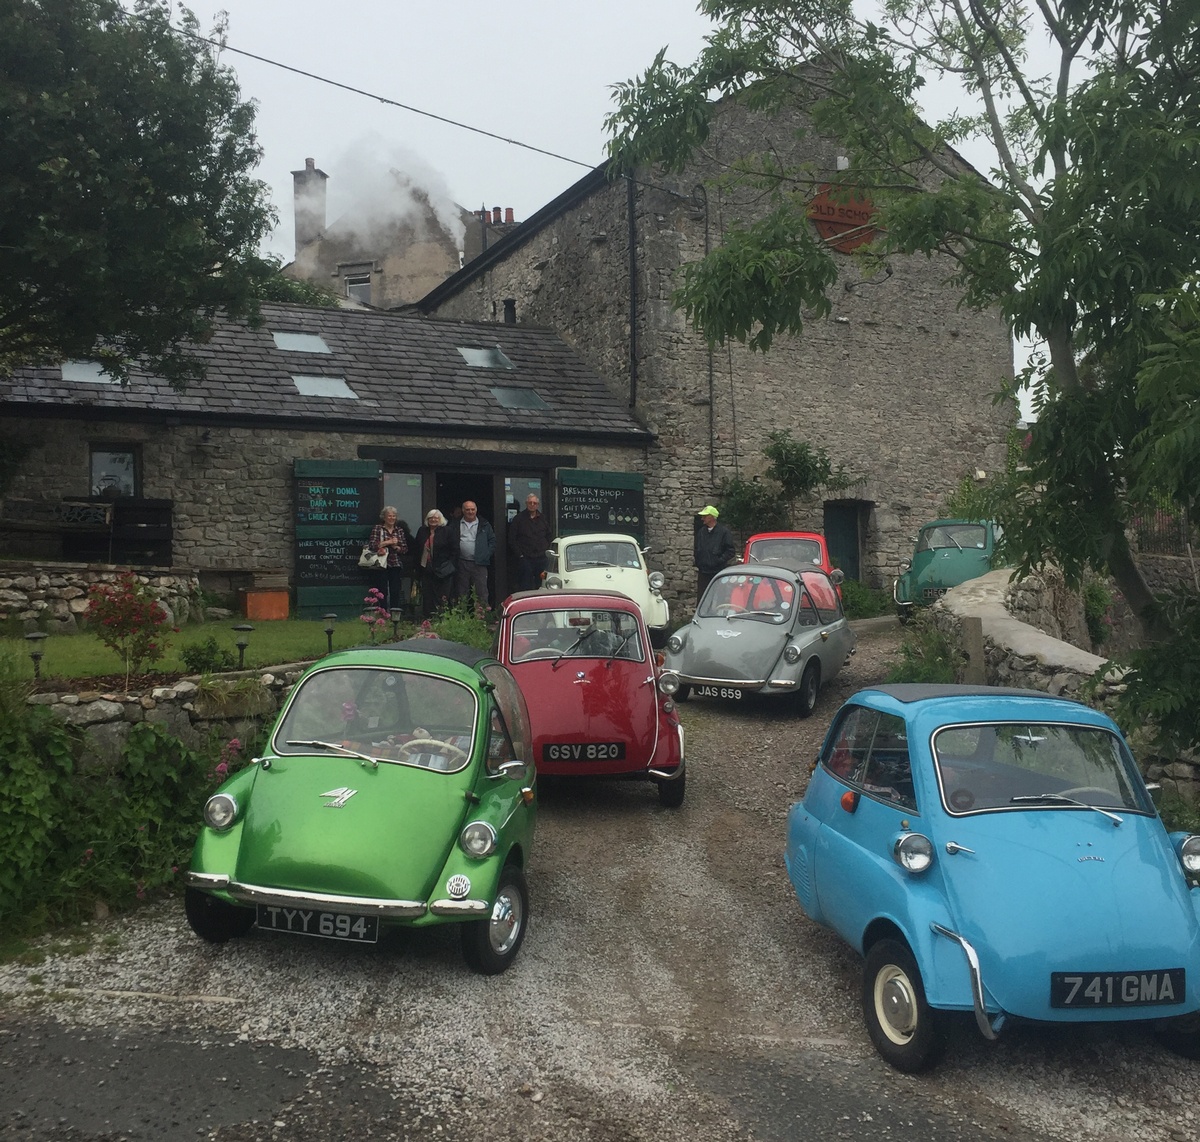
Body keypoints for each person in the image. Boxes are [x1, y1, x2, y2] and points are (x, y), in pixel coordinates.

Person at [366, 506, 414, 615]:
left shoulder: (399, 530)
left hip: (395, 563)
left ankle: (395, 614)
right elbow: (372, 545)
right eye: (389, 516)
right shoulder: (378, 528)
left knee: (395, 590)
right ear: (384, 517)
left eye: (394, 516)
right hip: (381, 564)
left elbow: (405, 549)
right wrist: (388, 543)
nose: (391, 518)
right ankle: (383, 613)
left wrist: (397, 547)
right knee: (382, 591)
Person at [414, 508, 459, 618]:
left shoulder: (447, 531)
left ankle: (441, 619)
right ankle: (428, 619)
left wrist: (450, 565)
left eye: (436, 518)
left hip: (443, 569)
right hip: (426, 568)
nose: (433, 520)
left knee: (442, 596)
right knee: (428, 595)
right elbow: (416, 549)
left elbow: (455, 550)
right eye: (431, 518)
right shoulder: (422, 531)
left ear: (440, 519)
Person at [453, 500, 496, 608]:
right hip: (461, 562)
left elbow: (492, 541)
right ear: (463, 511)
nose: (470, 512)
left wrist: (486, 554)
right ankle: (461, 616)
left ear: (476, 510)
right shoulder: (455, 523)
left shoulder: (484, 524)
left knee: (481, 591)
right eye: (467, 509)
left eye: (472, 509)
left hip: (479, 563)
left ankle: (482, 617)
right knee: (462, 591)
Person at [508, 492, 554, 592]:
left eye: (534, 503)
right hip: (526, 558)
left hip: (542, 558)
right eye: (530, 503)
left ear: (538, 505)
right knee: (526, 585)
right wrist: (520, 555)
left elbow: (549, 535)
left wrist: (546, 549)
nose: (532, 505)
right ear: (526, 504)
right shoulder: (519, 519)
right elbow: (512, 539)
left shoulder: (543, 518)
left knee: (543, 584)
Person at [694, 504, 735, 600]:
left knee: (720, 598)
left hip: (718, 571)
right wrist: (699, 562)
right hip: (703, 571)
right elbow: (697, 548)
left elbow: (730, 551)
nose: (702, 518)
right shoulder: (701, 532)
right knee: (702, 598)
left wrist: (718, 561)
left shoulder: (724, 532)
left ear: (712, 517)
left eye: (705, 516)